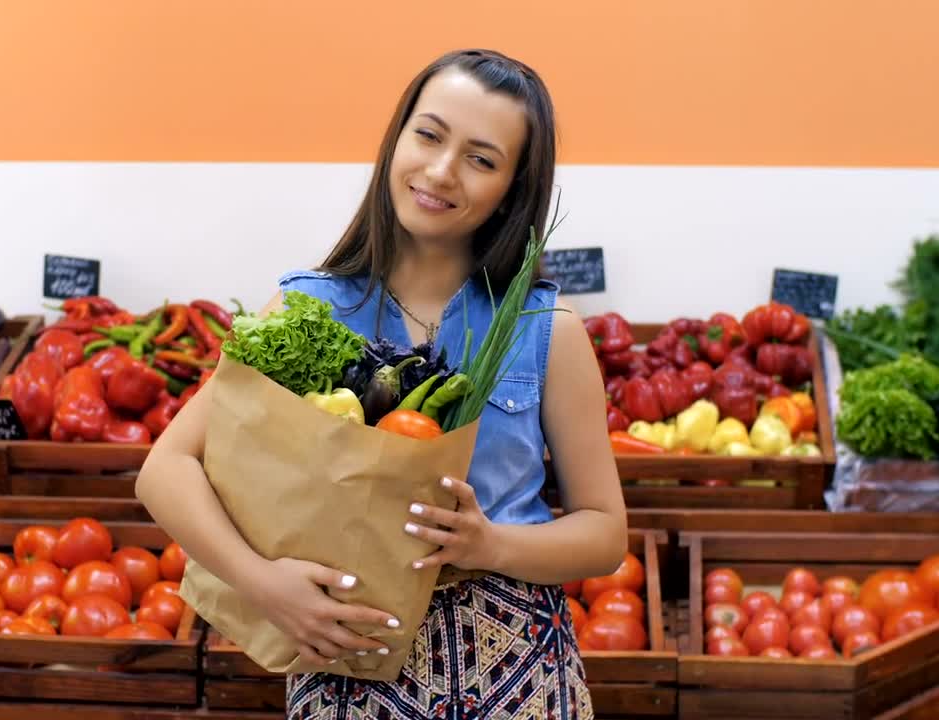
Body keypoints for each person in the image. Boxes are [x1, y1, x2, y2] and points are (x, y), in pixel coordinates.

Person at [137, 48, 625, 719]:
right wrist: (267, 586)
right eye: (428, 135)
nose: (440, 171)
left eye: (481, 159)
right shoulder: (309, 308)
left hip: (518, 675)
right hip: (348, 669)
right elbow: (164, 469)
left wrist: (493, 544)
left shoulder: (547, 330)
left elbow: (604, 533)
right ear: (397, 137)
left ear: (512, 188)